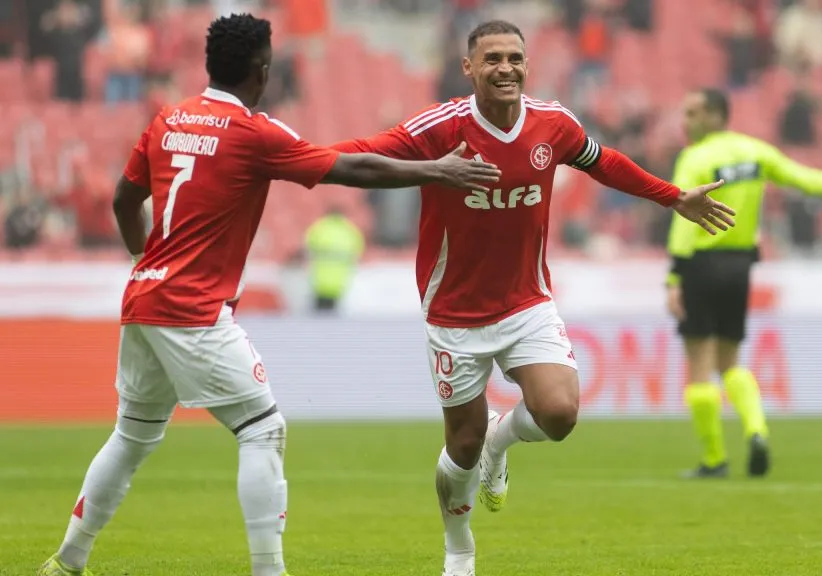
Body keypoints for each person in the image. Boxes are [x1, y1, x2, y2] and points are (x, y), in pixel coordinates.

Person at [37, 13, 501, 576]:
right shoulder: (253, 133)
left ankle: (68, 561)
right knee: (263, 429)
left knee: (132, 435)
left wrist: (145, 261)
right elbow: (351, 168)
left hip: (142, 300)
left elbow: (122, 200)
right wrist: (437, 171)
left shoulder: (168, 119)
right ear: (262, 70)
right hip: (193, 310)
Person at [330, 20, 736, 576]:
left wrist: (671, 198)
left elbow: (605, 162)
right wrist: (295, 162)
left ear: (527, 64)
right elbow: (359, 156)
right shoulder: (441, 127)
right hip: (454, 314)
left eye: (514, 57)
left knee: (561, 413)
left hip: (526, 301)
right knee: (462, 447)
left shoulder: (553, 124)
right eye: (492, 58)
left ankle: (503, 441)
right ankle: (459, 547)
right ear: (468, 68)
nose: (506, 68)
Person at [665, 88, 822, 480]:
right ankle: (756, 429)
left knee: (700, 365)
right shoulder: (757, 152)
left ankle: (714, 459)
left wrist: (674, 277)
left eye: (693, 113)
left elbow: (682, 219)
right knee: (730, 362)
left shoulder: (695, 158)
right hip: (740, 265)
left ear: (716, 116)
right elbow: (805, 179)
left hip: (701, 265)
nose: (685, 121)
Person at [304, 205, 365, 312]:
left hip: (320, 278)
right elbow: (358, 251)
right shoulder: (350, 230)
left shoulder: (320, 227)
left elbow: (308, 247)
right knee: (334, 312)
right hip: (340, 279)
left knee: (318, 311)